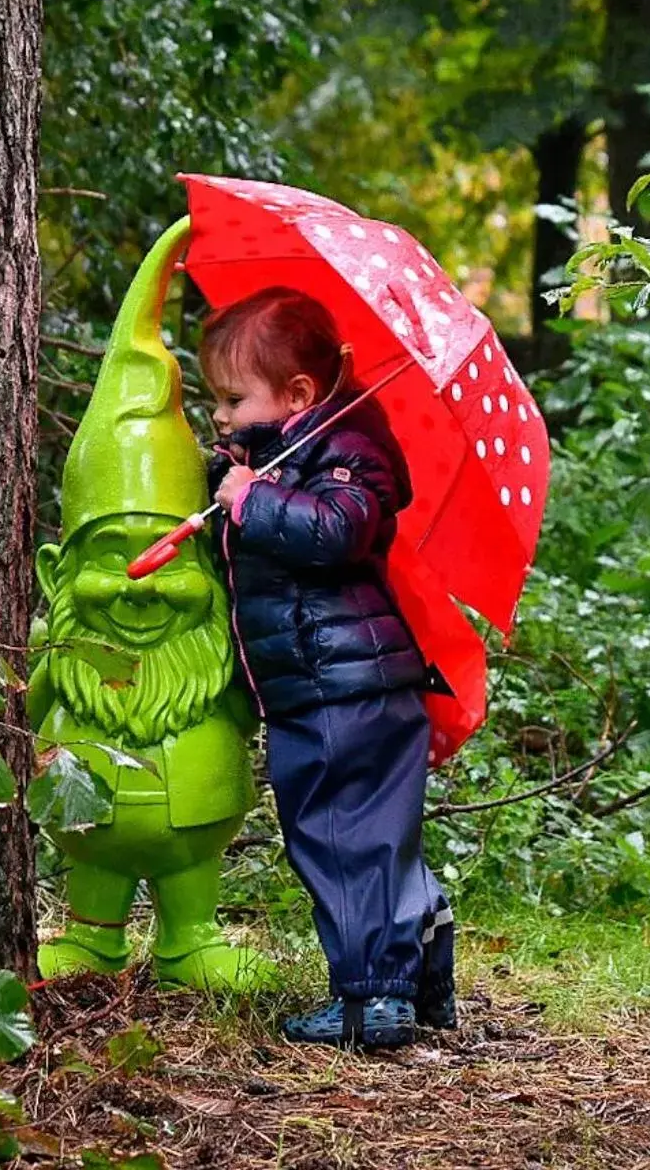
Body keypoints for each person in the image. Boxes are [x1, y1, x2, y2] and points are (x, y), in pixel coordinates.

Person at [200, 285, 457, 1049]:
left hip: (343, 688)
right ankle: (420, 974)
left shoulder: (348, 451)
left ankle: (371, 1001)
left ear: (299, 393)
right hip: (334, 684)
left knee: (341, 837)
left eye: (232, 397)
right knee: (376, 837)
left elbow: (339, 532)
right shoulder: (277, 455)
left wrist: (255, 500)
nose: (218, 412)